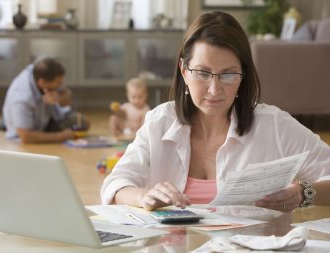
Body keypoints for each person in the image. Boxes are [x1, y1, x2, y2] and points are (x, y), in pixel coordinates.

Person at [101, 11, 330, 212]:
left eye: (228, 74)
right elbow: (116, 184)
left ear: (243, 75)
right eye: (202, 72)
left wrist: (303, 192)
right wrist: (144, 197)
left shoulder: (274, 126)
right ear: (184, 70)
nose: (214, 89)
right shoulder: (160, 121)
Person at [3, 57, 89, 143]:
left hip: (51, 115)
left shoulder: (45, 72)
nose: (61, 84)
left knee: (83, 123)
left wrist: (59, 98)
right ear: (42, 82)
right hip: (30, 128)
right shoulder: (22, 97)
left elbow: (68, 98)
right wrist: (61, 136)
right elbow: (26, 136)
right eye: (58, 83)